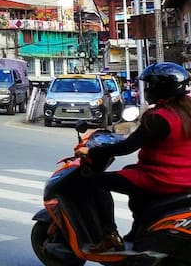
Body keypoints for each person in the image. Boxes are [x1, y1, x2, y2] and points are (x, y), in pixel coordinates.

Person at [80, 62, 191, 253]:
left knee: (95, 182)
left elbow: (126, 148)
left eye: (149, 85)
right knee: (129, 174)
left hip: (160, 179)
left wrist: (94, 152)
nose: (147, 90)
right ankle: (138, 231)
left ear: (160, 88)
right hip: (185, 178)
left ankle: (109, 235)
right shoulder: (186, 110)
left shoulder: (159, 117)